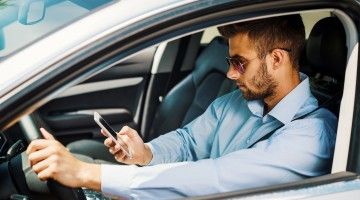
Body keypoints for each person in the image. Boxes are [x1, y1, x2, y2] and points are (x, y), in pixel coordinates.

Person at [26, 14, 337, 199]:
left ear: (277, 59)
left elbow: (214, 178)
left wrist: (86, 173)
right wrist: (145, 153)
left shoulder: (312, 136)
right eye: (230, 61)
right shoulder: (234, 103)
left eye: (240, 63)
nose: (230, 73)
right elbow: (188, 142)